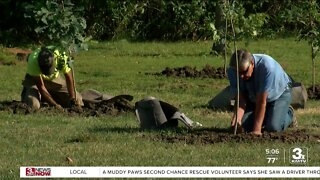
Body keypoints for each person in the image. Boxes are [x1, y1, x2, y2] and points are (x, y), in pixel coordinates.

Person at [227, 49, 295, 135]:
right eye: (238, 73)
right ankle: (268, 115)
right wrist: (237, 120)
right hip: (254, 97)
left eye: (244, 72)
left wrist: (256, 130)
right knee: (243, 128)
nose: (241, 76)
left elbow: (261, 102)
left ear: (252, 63)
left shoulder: (267, 67)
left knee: (273, 128)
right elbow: (241, 99)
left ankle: (289, 114)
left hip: (279, 95)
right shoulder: (231, 71)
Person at [21, 46, 83, 111]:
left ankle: (50, 97)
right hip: (35, 80)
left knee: (78, 99)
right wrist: (55, 105)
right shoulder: (33, 61)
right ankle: (30, 94)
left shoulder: (61, 56)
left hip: (54, 79)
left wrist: (72, 98)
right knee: (34, 105)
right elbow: (41, 87)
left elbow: (69, 77)